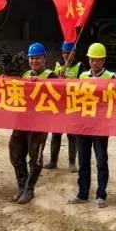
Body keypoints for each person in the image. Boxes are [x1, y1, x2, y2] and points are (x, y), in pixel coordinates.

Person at [70, 42, 115, 208]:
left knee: (101, 161)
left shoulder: (110, 77)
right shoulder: (83, 76)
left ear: (103, 60)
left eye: (98, 59)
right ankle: (82, 194)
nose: (94, 62)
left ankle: (101, 195)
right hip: (84, 125)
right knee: (83, 160)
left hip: (101, 127)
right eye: (92, 59)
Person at [10, 42, 50, 204]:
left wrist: (42, 83)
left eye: (38, 58)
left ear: (44, 58)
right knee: (15, 152)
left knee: (35, 158)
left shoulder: (51, 76)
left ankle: (29, 189)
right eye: (32, 58)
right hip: (22, 121)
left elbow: (60, 95)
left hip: (39, 125)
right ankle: (22, 186)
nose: (34, 61)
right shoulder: (26, 74)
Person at [47, 41, 81, 171]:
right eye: (64, 53)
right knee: (56, 134)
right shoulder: (57, 66)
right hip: (59, 106)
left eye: (69, 53)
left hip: (72, 105)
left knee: (72, 135)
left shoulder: (80, 66)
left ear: (74, 53)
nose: (66, 55)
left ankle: (72, 163)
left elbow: (84, 84)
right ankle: (53, 161)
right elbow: (50, 83)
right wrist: (58, 77)